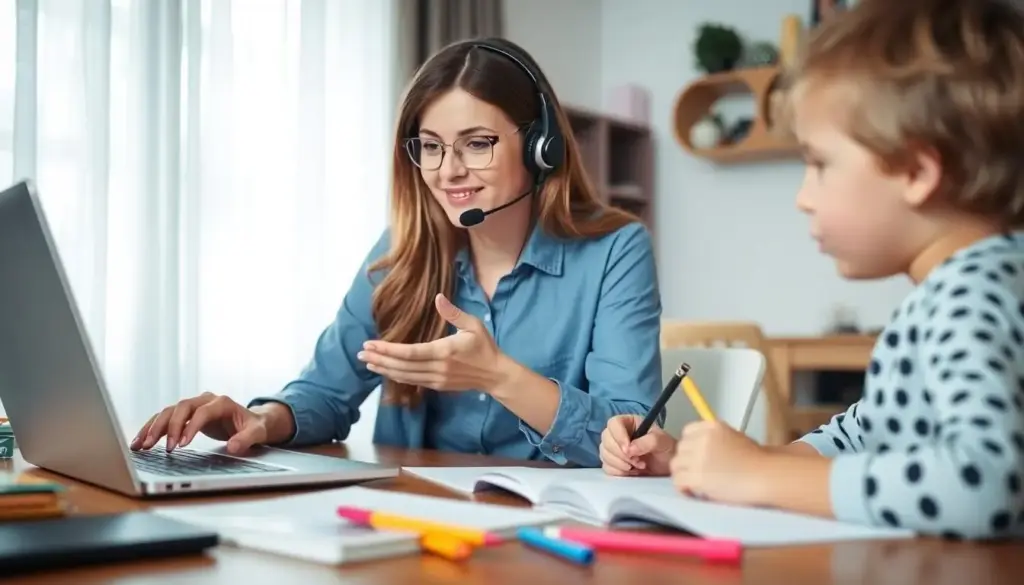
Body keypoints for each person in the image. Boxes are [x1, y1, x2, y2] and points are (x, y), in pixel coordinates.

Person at [130, 37, 663, 468]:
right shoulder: (402, 252)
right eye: (430, 146)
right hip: (416, 521)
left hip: (552, 534)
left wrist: (498, 375)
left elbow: (630, 434)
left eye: (477, 143)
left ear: (539, 146)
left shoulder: (615, 250)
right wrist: (263, 420)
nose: (447, 170)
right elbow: (325, 390)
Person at [600, 0, 1024, 539]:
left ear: (917, 171)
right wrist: (722, 463)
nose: (803, 198)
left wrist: (758, 474)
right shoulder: (964, 290)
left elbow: (985, 483)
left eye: (819, 164)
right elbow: (860, 435)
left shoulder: (972, 296)